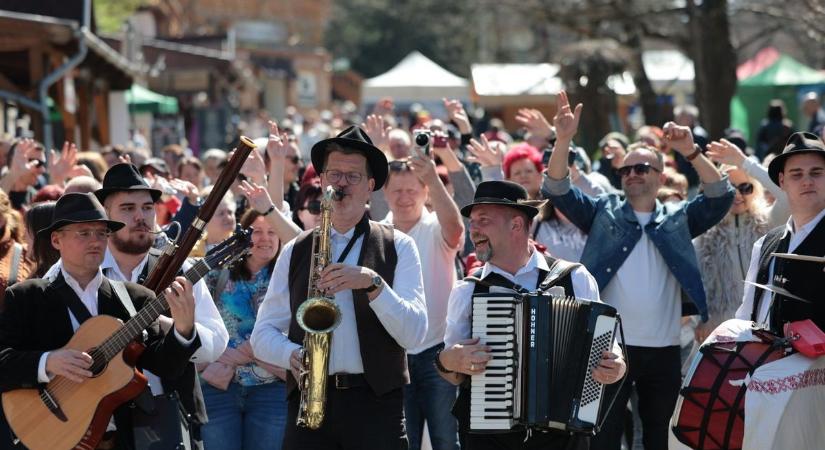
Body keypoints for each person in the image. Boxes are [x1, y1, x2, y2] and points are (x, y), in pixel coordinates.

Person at [543, 92, 734, 450]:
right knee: (604, 437)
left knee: (658, 438)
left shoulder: (677, 217)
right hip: (607, 346)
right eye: (625, 169)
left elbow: (720, 196)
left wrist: (692, 151)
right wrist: (564, 140)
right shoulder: (604, 212)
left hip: (663, 348)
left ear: (660, 177)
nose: (631, 174)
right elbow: (557, 189)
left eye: (641, 168)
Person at [251, 125, 427, 450]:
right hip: (310, 403)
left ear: (370, 186)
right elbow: (262, 335)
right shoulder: (296, 249)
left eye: (353, 176)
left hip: (376, 406)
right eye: (333, 174)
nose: (341, 183)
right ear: (321, 181)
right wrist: (293, 354)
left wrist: (374, 285)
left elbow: (415, 335)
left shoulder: (399, 246)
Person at [43, 163, 229, 448]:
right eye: (127, 208)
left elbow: (216, 344)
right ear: (106, 216)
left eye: (147, 208)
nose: (140, 217)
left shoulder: (181, 268)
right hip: (94, 422)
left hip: (168, 419)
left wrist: (178, 327)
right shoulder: (69, 270)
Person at [436, 180, 626, 450]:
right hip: (490, 437)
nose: (473, 229)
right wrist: (450, 360)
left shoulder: (575, 278)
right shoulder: (468, 290)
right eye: (472, 221)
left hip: (563, 434)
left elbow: (612, 349)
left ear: (515, 224)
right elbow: (450, 370)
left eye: (483, 220)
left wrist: (616, 365)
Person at [0, 193, 200, 449]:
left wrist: (183, 331)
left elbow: (164, 366)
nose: (95, 241)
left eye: (101, 233)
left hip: (121, 437)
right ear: (56, 239)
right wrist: (48, 361)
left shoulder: (135, 297)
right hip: (50, 434)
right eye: (84, 233)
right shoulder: (26, 296)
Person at [382, 154, 465, 450]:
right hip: (394, 356)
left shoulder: (434, 228)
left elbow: (455, 229)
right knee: (403, 442)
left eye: (412, 190)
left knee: (446, 441)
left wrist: (432, 177)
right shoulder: (378, 234)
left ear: (425, 192)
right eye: (397, 191)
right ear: (385, 193)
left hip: (438, 354)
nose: (404, 198)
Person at [199, 209, 288, 450]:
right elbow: (198, 323)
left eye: (272, 232)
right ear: (243, 235)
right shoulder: (217, 272)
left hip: (271, 391)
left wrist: (236, 353)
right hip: (218, 388)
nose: (265, 238)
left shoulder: (289, 279)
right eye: (257, 231)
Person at [736, 132, 825, 333]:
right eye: (797, 174)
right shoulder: (765, 244)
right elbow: (746, 316)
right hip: (765, 362)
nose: (807, 181)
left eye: (816, 172)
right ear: (782, 181)